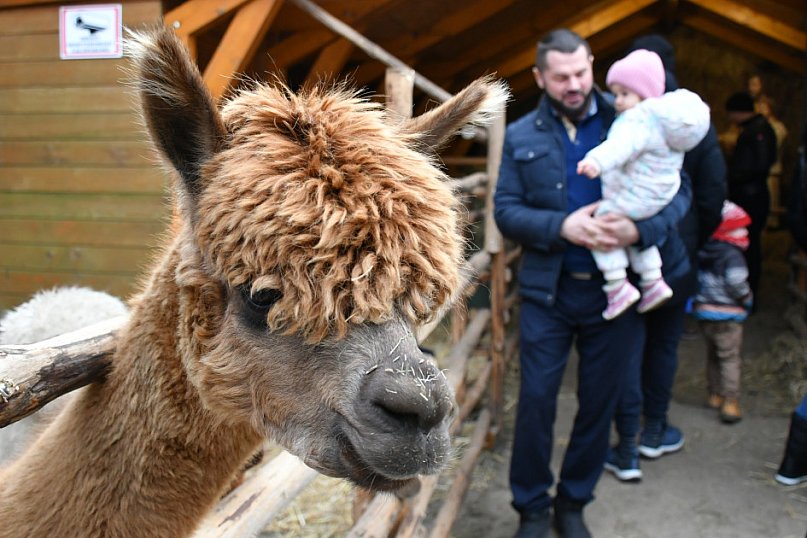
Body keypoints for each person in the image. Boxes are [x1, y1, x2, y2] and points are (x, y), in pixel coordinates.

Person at [494, 29, 691, 538]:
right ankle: (532, 508)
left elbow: (680, 188)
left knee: (599, 401)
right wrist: (561, 226)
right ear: (540, 78)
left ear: (592, 65)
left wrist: (639, 228)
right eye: (561, 77)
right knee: (537, 401)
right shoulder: (521, 136)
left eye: (581, 72)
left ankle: (573, 503)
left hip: (616, 290)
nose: (575, 84)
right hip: (550, 292)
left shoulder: (635, 112)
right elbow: (506, 211)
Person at [604, 34, 727, 482]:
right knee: (665, 346)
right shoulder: (695, 120)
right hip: (679, 254)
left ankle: (628, 447)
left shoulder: (622, 110)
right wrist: (695, 240)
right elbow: (712, 191)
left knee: (629, 347)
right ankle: (655, 429)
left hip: (622, 244)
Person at [577, 49, 709, 320]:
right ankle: (652, 281)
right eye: (616, 93)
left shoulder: (637, 120)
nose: (618, 101)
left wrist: (595, 162)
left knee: (602, 222)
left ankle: (616, 285)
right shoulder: (666, 125)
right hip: (657, 196)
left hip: (635, 193)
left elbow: (619, 147)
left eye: (625, 94)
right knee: (641, 239)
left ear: (645, 94)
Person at [691, 201, 753, 423]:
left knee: (713, 356)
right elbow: (737, 282)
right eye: (740, 227)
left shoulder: (703, 252)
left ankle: (714, 394)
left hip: (705, 314)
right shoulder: (733, 256)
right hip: (729, 317)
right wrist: (747, 299)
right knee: (729, 358)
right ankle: (730, 401)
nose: (744, 232)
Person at [724, 91, 777, 304]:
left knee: (748, 245)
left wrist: (732, 177)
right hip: (751, 194)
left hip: (750, 197)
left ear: (737, 112)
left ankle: (747, 294)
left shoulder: (756, 132)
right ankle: (745, 292)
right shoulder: (758, 129)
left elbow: (757, 165)